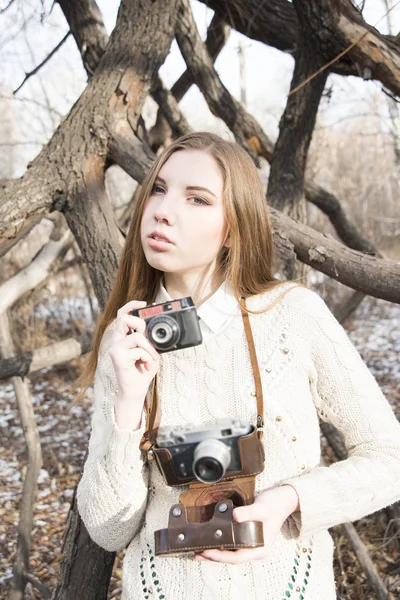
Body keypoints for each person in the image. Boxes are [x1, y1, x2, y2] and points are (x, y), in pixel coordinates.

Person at [75, 131, 400, 600]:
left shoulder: (292, 315)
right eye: (159, 190)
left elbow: (390, 458)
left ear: (232, 227)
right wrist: (128, 405)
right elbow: (109, 529)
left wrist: (287, 503)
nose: (163, 210)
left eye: (198, 199)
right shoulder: (127, 341)